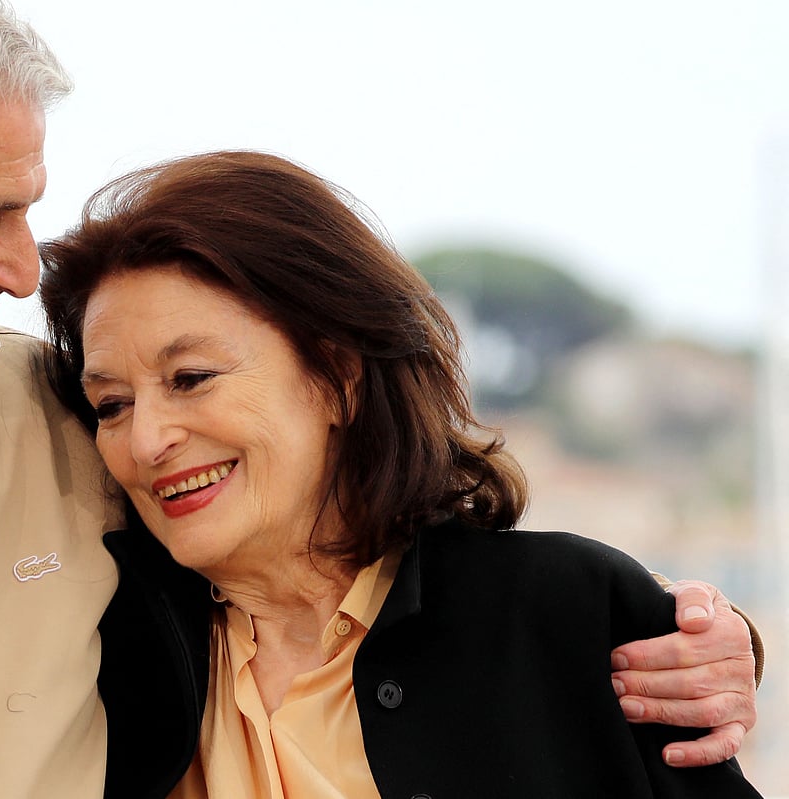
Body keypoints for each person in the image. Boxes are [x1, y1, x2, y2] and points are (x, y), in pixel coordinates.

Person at [0, 1, 759, 796]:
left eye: (185, 380)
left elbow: (362, 546)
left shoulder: (42, 405)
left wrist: (706, 640)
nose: (21, 266)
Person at [38, 150, 764, 798]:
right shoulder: (101, 658)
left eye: (191, 377)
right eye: (111, 404)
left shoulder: (570, 614)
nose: (147, 438)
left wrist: (694, 626)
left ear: (337, 376)